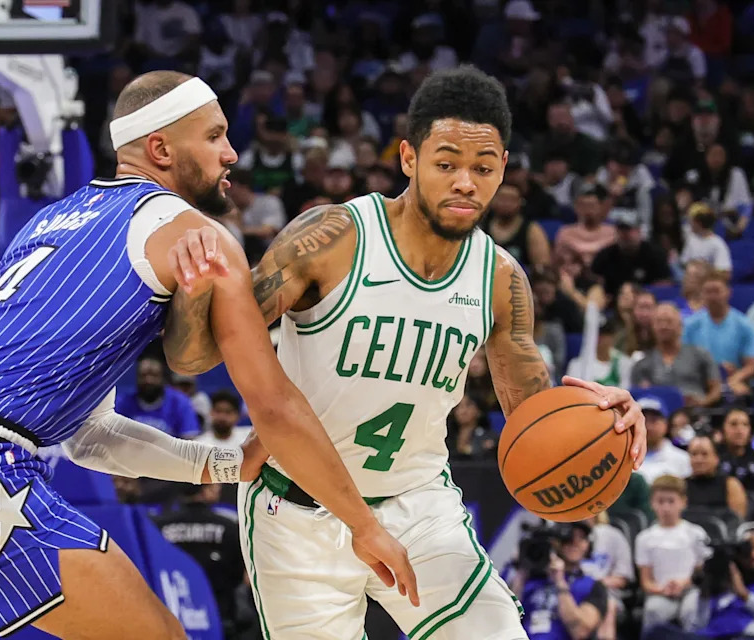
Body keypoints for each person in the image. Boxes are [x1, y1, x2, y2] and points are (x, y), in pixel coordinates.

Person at [0, 71, 417, 640]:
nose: (231, 153)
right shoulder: (194, 237)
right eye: (215, 136)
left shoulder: (53, 219)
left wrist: (223, 465)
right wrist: (364, 525)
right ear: (161, 149)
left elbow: (90, 438)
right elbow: (273, 406)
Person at [164, 65, 648, 640]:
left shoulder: (500, 279)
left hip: (417, 505)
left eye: (483, 168)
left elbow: (533, 421)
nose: (465, 182)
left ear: (502, 169)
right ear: (409, 158)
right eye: (446, 164)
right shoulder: (333, 239)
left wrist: (605, 421)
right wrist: (195, 288)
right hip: (297, 512)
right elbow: (192, 358)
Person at [153, 484, 244, 638]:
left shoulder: (158, 526)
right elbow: (238, 572)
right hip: (219, 613)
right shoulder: (228, 526)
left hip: (172, 614)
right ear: (206, 490)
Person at [635, 475, 710, 634]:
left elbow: (702, 571)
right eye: (660, 501)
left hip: (691, 589)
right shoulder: (644, 538)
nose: (666, 508)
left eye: (671, 501)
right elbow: (646, 580)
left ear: (683, 502)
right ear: (652, 503)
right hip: (660, 592)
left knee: (692, 609)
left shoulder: (696, 533)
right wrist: (661, 589)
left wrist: (684, 583)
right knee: (653, 610)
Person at [512, 522, 609, 640]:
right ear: (556, 542)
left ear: (589, 545)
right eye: (569, 537)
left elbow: (580, 631)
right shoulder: (529, 582)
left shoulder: (593, 586)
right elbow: (505, 620)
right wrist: (522, 569)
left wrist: (559, 581)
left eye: (581, 538)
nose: (575, 542)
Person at [683, 273, 754, 402]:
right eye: (708, 292)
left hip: (732, 383)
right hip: (701, 383)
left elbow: (752, 365)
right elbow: (683, 359)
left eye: (717, 291)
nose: (713, 297)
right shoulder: (690, 325)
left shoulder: (744, 325)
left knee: (741, 392)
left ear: (728, 292)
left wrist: (736, 378)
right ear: (702, 294)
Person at [632, 303, 723, 409]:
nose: (664, 326)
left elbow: (716, 389)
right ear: (653, 327)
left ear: (680, 326)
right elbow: (638, 396)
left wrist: (703, 402)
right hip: (658, 415)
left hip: (695, 413)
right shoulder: (642, 363)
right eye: (659, 322)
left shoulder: (700, 355)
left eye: (669, 321)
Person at [114, 355, 203, 439]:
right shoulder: (122, 403)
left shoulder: (180, 403)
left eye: (154, 375)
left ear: (163, 378)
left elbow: (189, 439)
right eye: (143, 375)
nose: (148, 380)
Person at [591, 207, 672, 298]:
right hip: (614, 301)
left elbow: (664, 285)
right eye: (621, 230)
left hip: (647, 300)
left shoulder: (655, 254)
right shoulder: (605, 256)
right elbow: (594, 281)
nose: (625, 234)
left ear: (639, 231)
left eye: (629, 229)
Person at [552, 183, 615, 268]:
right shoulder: (565, 232)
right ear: (576, 208)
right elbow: (557, 261)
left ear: (600, 207)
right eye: (583, 206)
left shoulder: (612, 233)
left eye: (591, 206)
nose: (588, 210)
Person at [687, 434, 748, 521]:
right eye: (694, 454)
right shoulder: (681, 486)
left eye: (704, 454)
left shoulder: (731, 485)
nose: (699, 460)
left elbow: (737, 521)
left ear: (716, 458)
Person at [636, 396, 692, 484]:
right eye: (643, 420)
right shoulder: (621, 456)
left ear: (666, 424)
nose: (648, 426)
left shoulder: (682, 459)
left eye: (654, 420)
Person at [680, 202, 733, 280]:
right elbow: (684, 263)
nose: (689, 224)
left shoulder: (717, 243)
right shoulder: (691, 240)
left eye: (691, 221)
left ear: (698, 223)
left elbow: (726, 274)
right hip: (691, 281)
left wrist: (706, 269)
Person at [720, 409, 754, 497]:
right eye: (733, 424)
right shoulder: (714, 456)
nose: (740, 430)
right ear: (723, 428)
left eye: (745, 424)